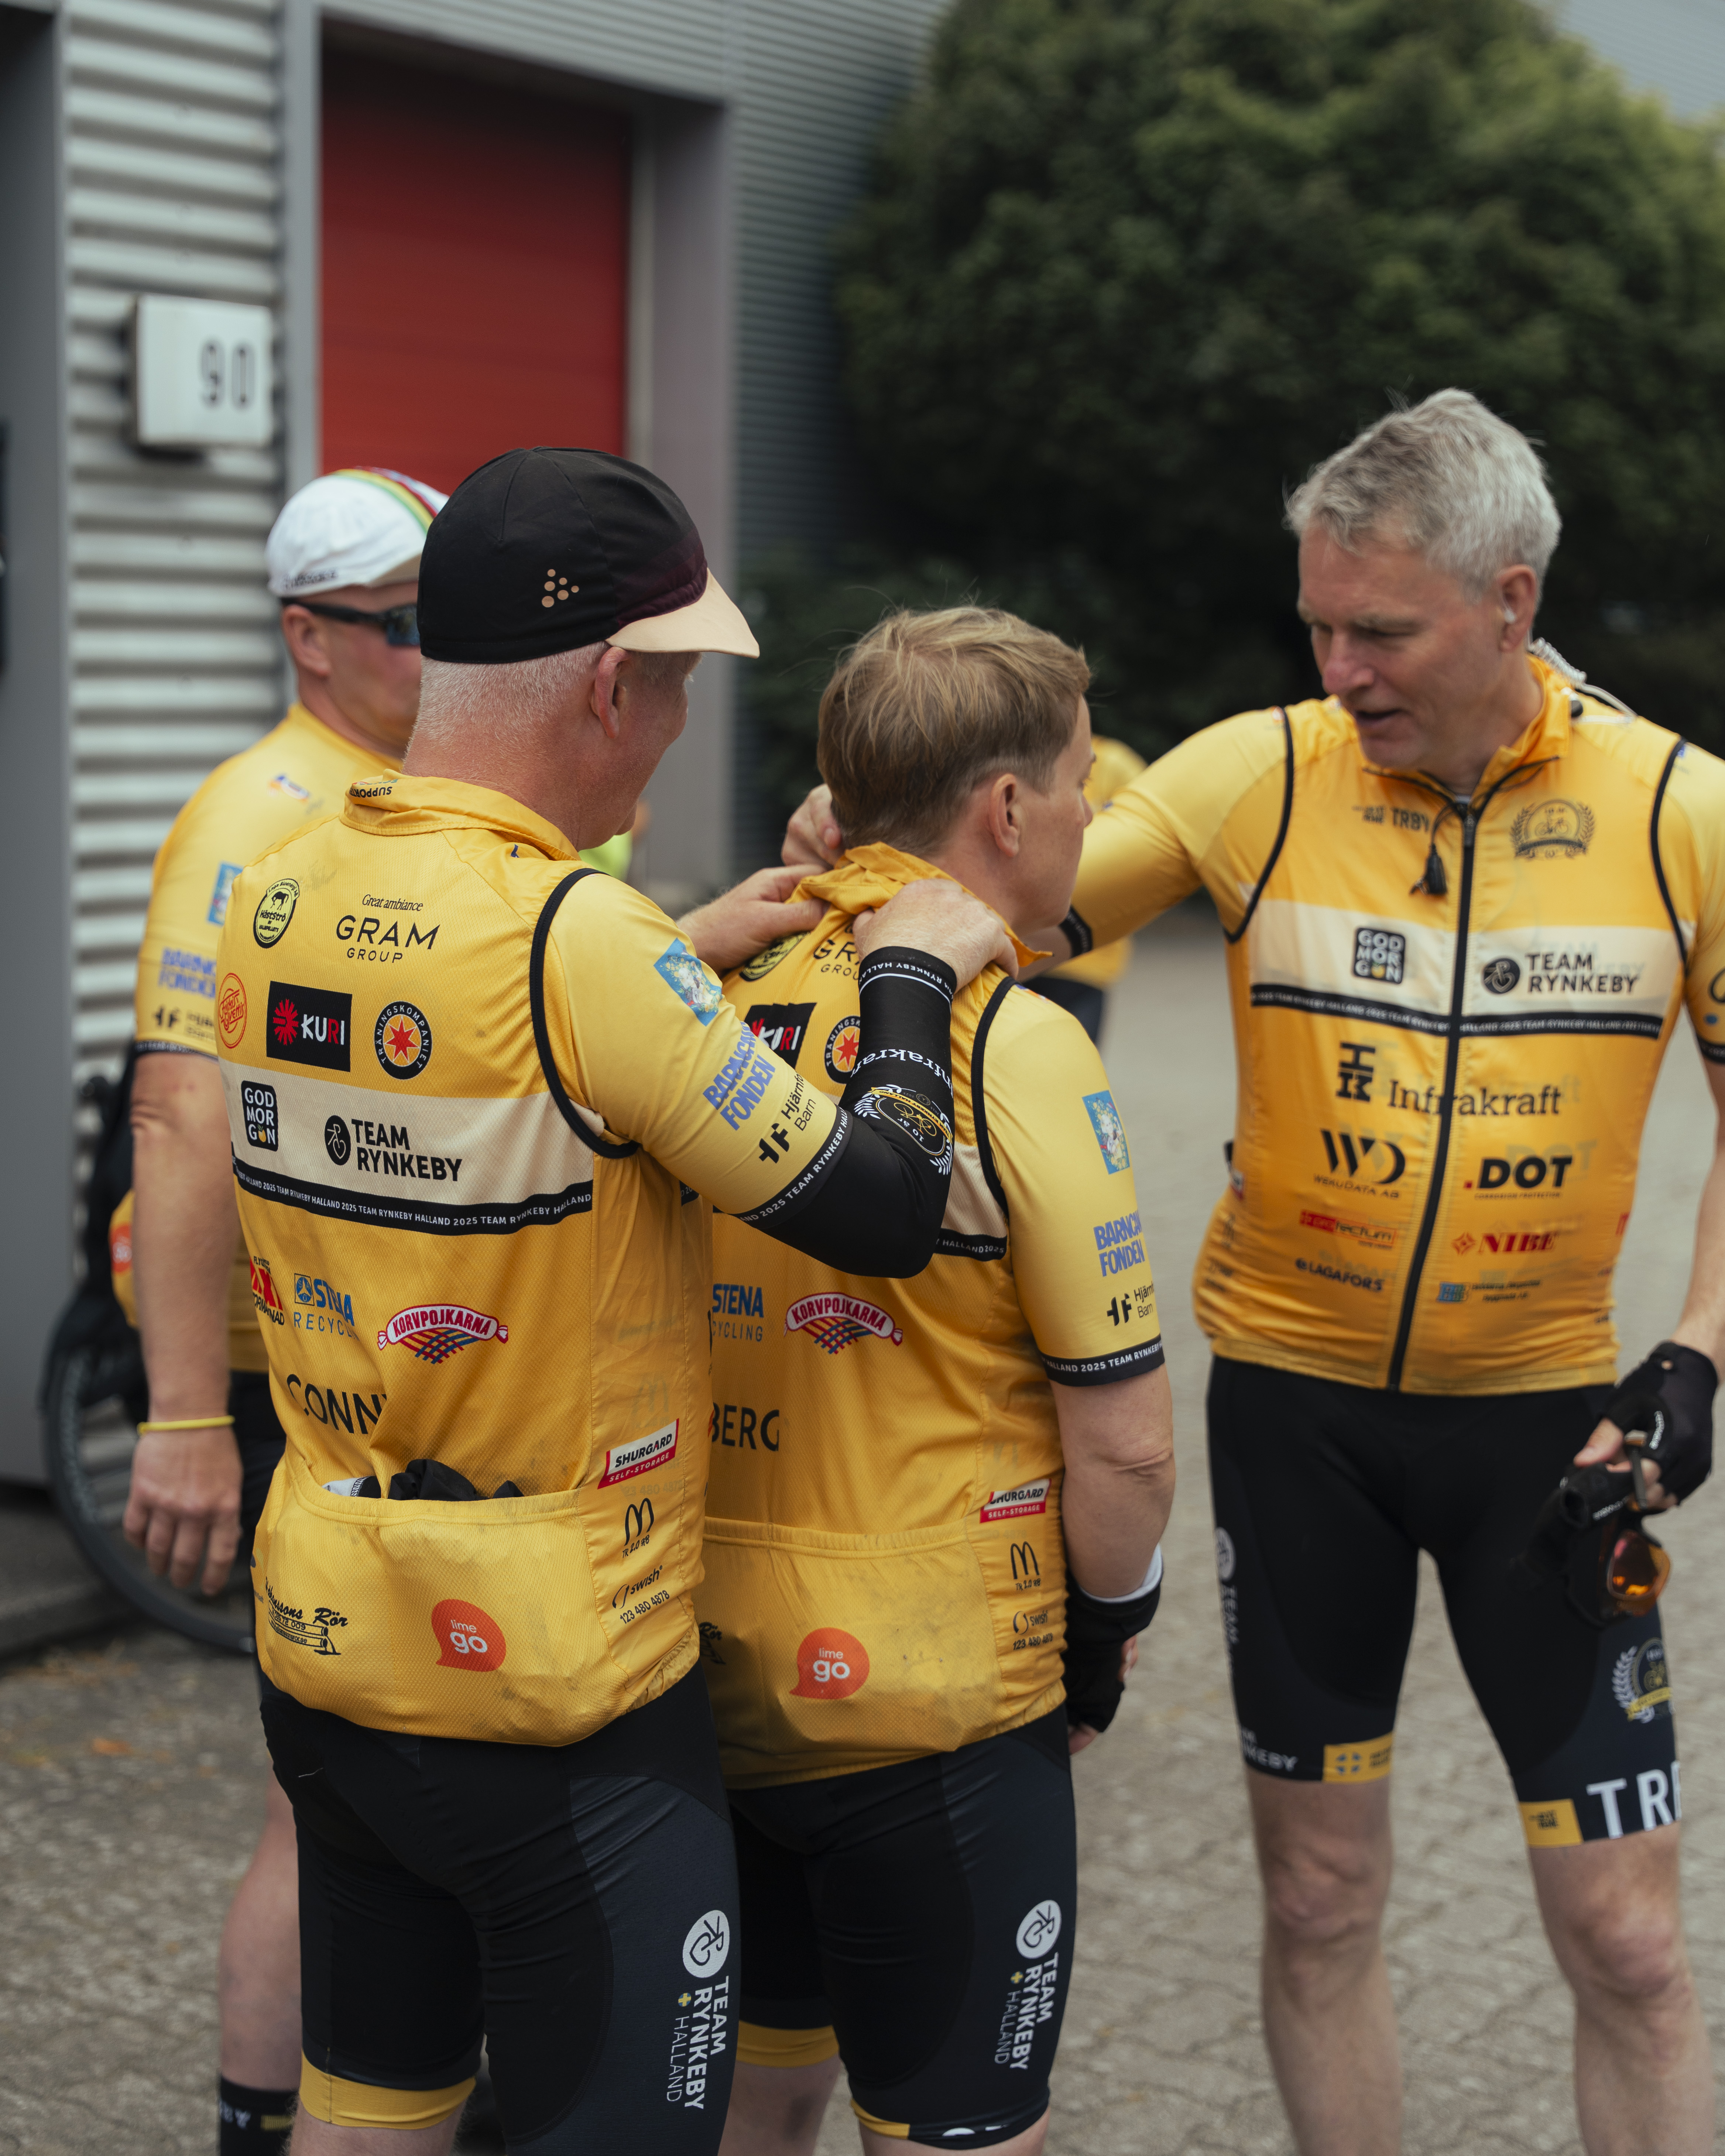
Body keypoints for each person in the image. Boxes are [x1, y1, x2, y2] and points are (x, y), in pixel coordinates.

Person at [785, 391, 1725, 2154]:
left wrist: (1697, 1344)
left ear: (1509, 602)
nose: (1337, 668)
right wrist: (867, 843)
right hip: (1298, 1427)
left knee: (1627, 1937)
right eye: (1317, 625)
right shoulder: (1257, 774)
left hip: (1547, 1439)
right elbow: (997, 891)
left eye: (1381, 631)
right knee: (1314, 1897)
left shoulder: (1681, 810)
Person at [212, 446, 1016, 2156]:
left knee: (366, 2104)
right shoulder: (582, 941)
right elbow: (880, 1209)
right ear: (607, 684)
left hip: (332, 1643)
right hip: (560, 1690)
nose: (674, 727)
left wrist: (677, 951)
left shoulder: (278, 889)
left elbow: (488, 1046)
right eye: (675, 687)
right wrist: (903, 979)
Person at [702, 609, 1175, 2156]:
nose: (1094, 814)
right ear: (1008, 808)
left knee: (757, 2097)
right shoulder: (1014, 1043)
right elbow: (1125, 1446)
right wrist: (1100, 1639)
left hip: (705, 1667)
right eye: (1081, 782)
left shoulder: (708, 975)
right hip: (939, 1704)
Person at [121, 466, 445, 2156]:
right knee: (320, 1806)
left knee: (380, 1791)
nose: (442, 654)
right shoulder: (254, 811)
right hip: (287, 1376)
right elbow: (177, 1113)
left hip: (393, 1366)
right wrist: (185, 1416)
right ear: (310, 638)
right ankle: (265, 2119)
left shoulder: (415, 792)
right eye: (409, 625)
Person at [1032, 732, 1146, 1044]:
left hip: (1085, 959)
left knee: (1073, 1063)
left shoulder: (1114, 763)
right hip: (1020, 950)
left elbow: (1142, 846)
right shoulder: (1024, 749)